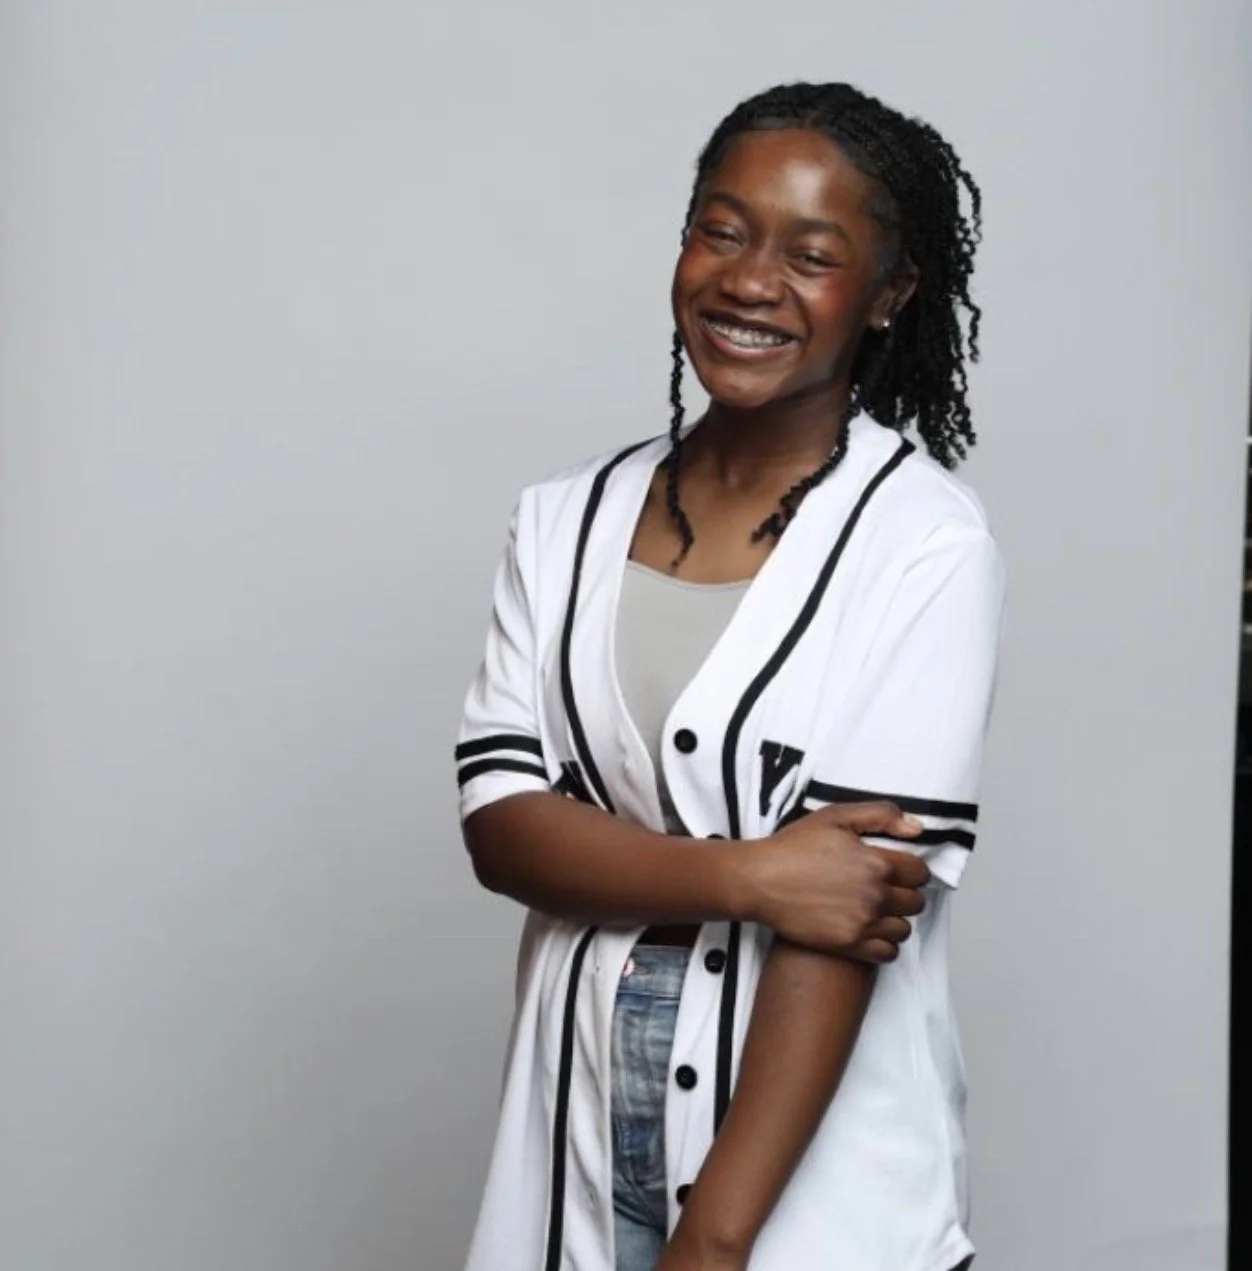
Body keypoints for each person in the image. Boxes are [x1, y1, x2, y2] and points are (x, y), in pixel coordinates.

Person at [453, 81, 1005, 1271]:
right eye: (722, 228)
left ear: (889, 295)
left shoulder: (923, 543)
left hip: (801, 1166)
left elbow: (850, 914)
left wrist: (715, 1236)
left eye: (814, 254)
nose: (751, 281)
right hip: (577, 1126)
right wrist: (755, 873)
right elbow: (504, 830)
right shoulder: (560, 523)